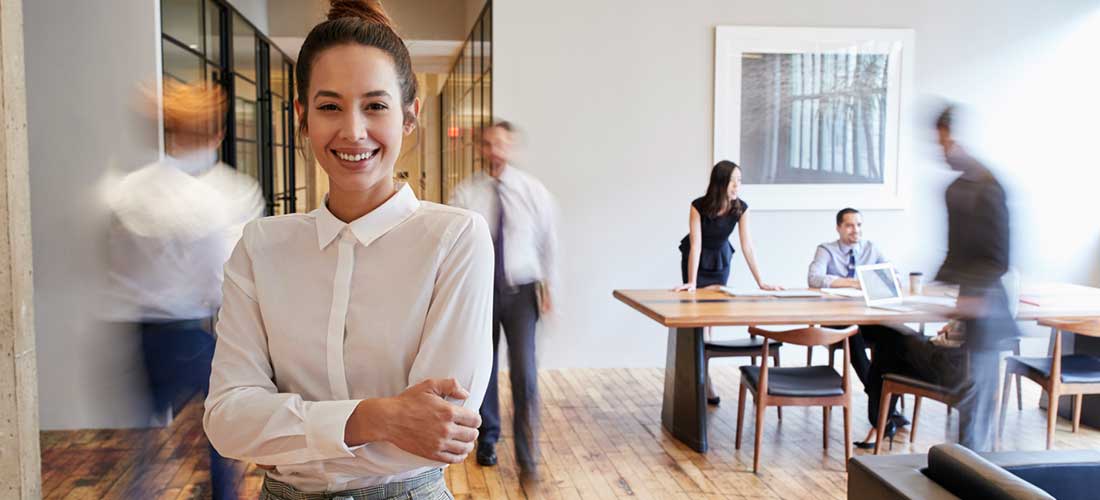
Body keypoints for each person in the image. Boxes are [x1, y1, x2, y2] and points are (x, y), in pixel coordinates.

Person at [203, 2, 494, 498]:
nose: (353, 131)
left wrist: (288, 427)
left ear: (409, 115)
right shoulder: (261, 246)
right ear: (303, 116)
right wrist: (378, 416)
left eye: (375, 106)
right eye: (330, 106)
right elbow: (229, 422)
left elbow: (440, 432)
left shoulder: (455, 239)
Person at [106, 80, 263, 499]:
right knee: (220, 437)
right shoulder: (218, 198)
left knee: (143, 451)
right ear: (216, 134)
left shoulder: (125, 192)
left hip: (139, 332)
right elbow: (223, 276)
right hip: (194, 330)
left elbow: (115, 267)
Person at [862, 105, 1019, 452]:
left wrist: (970, 299)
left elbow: (998, 259)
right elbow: (954, 254)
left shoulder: (990, 188)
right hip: (962, 321)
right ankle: (889, 426)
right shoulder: (954, 191)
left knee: (973, 423)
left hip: (985, 323)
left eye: (947, 144)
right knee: (886, 337)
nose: (943, 153)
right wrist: (935, 291)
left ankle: (970, 474)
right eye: (940, 145)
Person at [449, 120, 558, 486]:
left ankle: (528, 456)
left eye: (501, 144)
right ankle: (488, 439)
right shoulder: (466, 193)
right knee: (485, 368)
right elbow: (455, 246)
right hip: (481, 292)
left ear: (510, 148)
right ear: (481, 148)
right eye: (489, 144)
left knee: (526, 374)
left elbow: (548, 242)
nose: (495, 150)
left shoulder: (532, 191)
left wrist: (550, 288)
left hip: (523, 291)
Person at [676, 160, 782, 405]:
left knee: (711, 320)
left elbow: (747, 245)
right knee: (699, 321)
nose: (737, 186)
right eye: (733, 180)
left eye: (740, 181)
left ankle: (704, 375)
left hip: (720, 261)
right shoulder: (698, 206)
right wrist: (692, 282)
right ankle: (704, 380)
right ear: (720, 182)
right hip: (697, 261)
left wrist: (761, 281)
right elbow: (696, 245)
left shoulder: (741, 208)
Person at [807, 208, 909, 445]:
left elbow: (893, 276)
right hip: (838, 318)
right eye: (850, 226)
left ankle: (882, 401)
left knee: (895, 335)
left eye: (859, 225)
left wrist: (880, 279)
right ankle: (877, 392)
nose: (856, 231)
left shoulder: (871, 249)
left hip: (868, 318)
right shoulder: (827, 250)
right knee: (851, 333)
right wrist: (856, 282)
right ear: (839, 228)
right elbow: (814, 278)